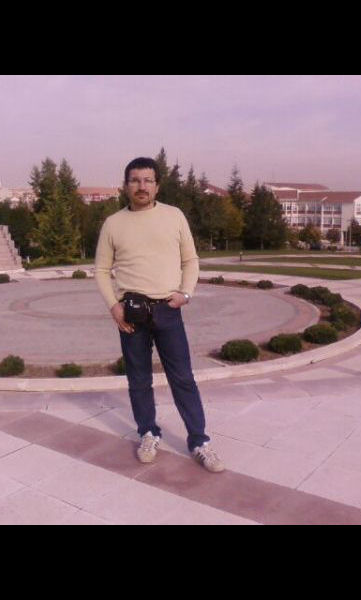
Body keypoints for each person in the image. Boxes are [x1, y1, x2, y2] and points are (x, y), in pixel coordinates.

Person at [94, 157, 225, 473]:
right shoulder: (113, 223)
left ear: (157, 185)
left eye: (148, 180)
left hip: (168, 310)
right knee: (139, 380)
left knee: (183, 378)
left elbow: (190, 260)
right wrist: (114, 306)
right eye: (135, 180)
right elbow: (100, 270)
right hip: (131, 314)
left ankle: (199, 441)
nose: (141, 186)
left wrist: (186, 293)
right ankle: (148, 433)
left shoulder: (174, 216)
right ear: (126, 185)